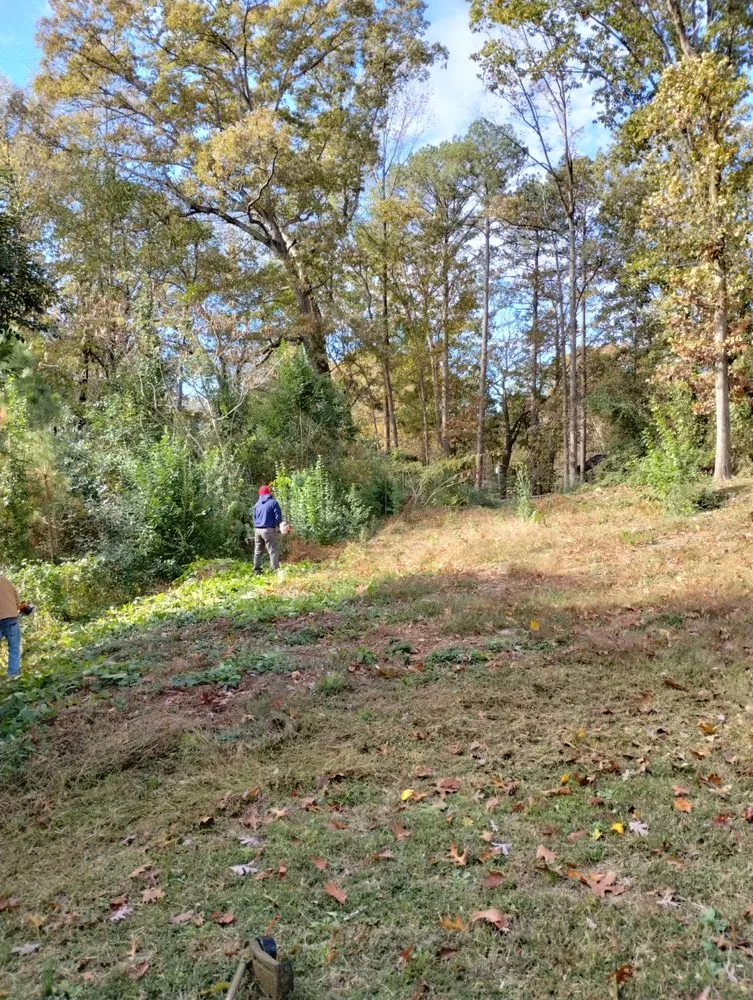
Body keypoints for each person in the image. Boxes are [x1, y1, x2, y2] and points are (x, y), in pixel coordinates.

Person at [0, 575, 32, 679]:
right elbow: (17, 602)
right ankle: (13, 676)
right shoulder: (6, 581)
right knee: (14, 648)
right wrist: (26, 608)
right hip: (11, 619)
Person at [253, 485, 284, 574]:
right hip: (268, 529)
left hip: (257, 530)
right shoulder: (273, 503)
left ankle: (257, 570)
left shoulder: (257, 505)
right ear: (268, 493)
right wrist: (277, 526)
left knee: (258, 551)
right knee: (273, 550)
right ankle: (275, 570)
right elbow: (278, 517)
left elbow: (254, 518)